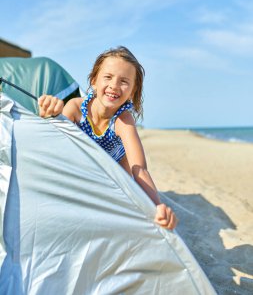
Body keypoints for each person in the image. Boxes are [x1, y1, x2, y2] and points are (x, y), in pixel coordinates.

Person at [39, 46, 178, 230]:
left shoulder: (123, 121)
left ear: (133, 90)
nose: (114, 85)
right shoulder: (74, 108)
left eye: (124, 81)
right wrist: (50, 115)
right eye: (108, 77)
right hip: (81, 173)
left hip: (110, 180)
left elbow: (140, 170)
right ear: (94, 81)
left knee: (130, 165)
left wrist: (157, 207)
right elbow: (53, 144)